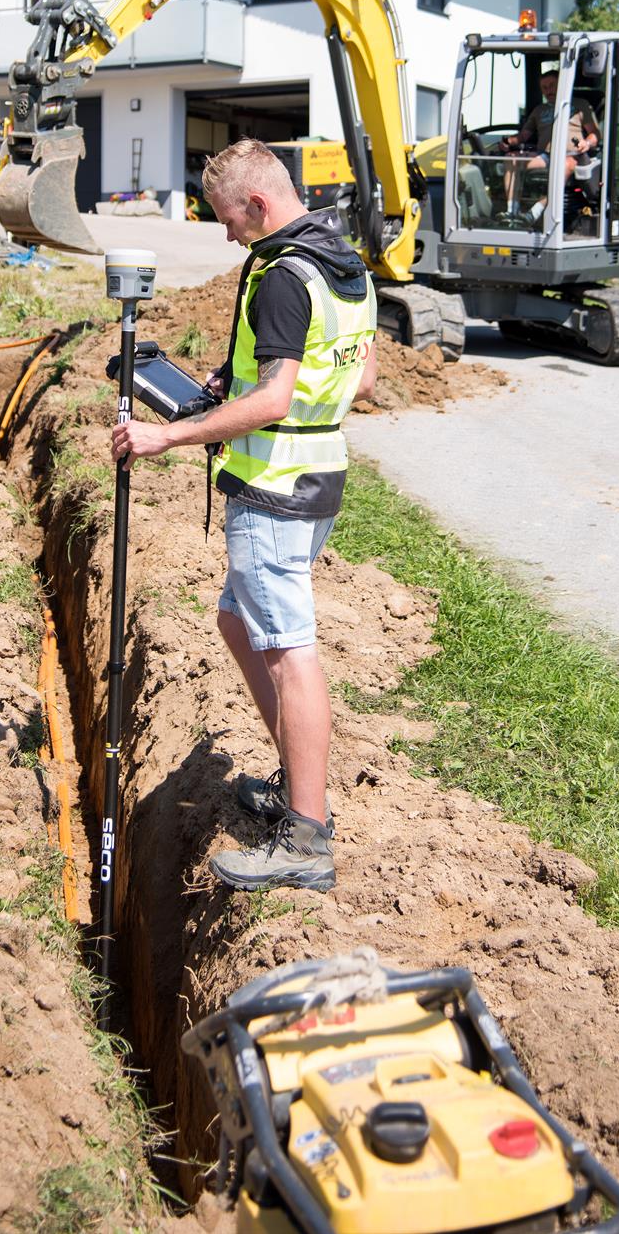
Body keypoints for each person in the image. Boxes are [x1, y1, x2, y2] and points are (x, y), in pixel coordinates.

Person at [111, 139, 378, 894]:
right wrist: (250, 372)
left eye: (229, 220)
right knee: (238, 618)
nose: (226, 234)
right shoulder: (340, 260)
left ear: (258, 206)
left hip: (274, 487)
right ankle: (301, 778)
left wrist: (169, 433)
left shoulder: (283, 276)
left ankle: (305, 834)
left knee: (292, 650)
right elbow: (361, 368)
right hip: (318, 473)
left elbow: (274, 400)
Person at [501, 67, 600, 213]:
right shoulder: (539, 110)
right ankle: (512, 212)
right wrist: (509, 142)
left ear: (562, 84)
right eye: (544, 88)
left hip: (572, 156)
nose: (549, 91)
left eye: (552, 86)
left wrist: (587, 143)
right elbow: (523, 136)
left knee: (564, 165)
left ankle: (536, 211)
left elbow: (595, 134)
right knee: (511, 159)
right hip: (545, 156)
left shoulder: (579, 105)